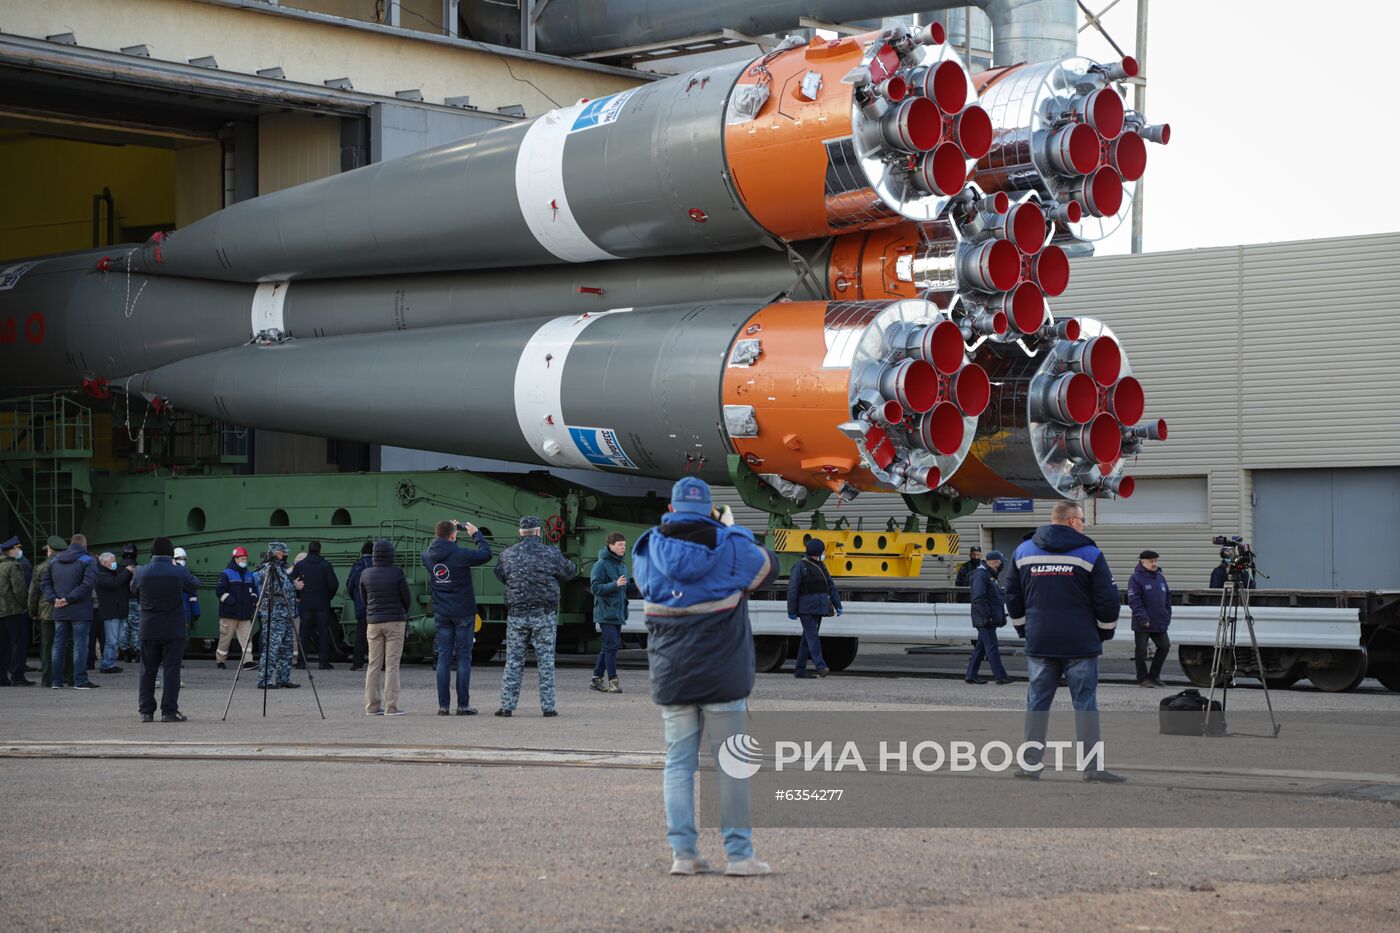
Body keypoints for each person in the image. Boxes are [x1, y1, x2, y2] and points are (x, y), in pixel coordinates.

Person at [633, 477, 778, 877]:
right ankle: (740, 856)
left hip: (672, 673)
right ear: (710, 509)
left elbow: (648, 585)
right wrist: (732, 529)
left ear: (673, 508)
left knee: (678, 764)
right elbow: (769, 567)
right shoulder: (731, 545)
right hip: (723, 674)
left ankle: (684, 854)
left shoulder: (647, 547)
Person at [1005, 501, 1126, 783]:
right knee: (1085, 705)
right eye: (1082, 519)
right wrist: (1104, 633)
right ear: (1072, 521)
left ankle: (1030, 766)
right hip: (1080, 644)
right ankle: (1092, 769)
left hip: (1040, 642)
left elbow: (1011, 595)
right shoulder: (1090, 553)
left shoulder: (1023, 551)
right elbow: (1108, 601)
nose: (1084, 524)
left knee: (1036, 704)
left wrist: (1025, 629)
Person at [494, 515, 576, 718]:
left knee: (513, 661)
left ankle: (507, 707)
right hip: (544, 615)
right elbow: (569, 572)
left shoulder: (507, 554)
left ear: (520, 532)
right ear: (539, 532)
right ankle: (548, 708)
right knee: (545, 661)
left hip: (517, 615)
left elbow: (500, 575)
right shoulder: (551, 553)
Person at [423, 519, 492, 716]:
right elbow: (486, 554)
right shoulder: (460, 554)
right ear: (453, 536)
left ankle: (443, 706)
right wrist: (475, 534)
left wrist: (449, 533)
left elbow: (443, 551)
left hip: (442, 613)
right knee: (463, 658)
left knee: (444, 657)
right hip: (463, 613)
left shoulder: (427, 555)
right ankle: (463, 705)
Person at [131, 536, 199, 722]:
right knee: (171, 671)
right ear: (171, 554)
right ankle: (169, 711)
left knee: (147, 671)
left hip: (149, 627)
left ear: (151, 552)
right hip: (173, 628)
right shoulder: (178, 572)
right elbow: (195, 584)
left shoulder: (141, 571)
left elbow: (133, 589)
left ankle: (146, 711)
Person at [358, 538, 411, 716]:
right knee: (392, 666)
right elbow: (406, 598)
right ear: (391, 555)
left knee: (373, 664)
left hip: (373, 622)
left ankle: (371, 707)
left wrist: (373, 612)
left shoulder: (365, 573)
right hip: (395, 621)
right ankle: (391, 707)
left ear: (374, 555)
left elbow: (363, 598)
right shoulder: (397, 573)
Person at [43, 533, 99, 690]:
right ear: (84, 545)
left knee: (58, 645)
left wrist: (54, 599)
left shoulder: (54, 560)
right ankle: (80, 681)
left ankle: (56, 681)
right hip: (80, 610)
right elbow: (88, 584)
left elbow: (45, 583)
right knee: (80, 645)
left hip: (59, 609)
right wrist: (69, 599)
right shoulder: (88, 560)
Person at [785, 538, 842, 679]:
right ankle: (821, 666)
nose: (824, 554)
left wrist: (837, 604)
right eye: (822, 551)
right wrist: (791, 610)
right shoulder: (800, 566)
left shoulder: (822, 566)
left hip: (818, 609)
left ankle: (800, 670)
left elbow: (831, 586)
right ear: (818, 552)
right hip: (806, 610)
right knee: (813, 638)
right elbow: (792, 589)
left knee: (807, 639)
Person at [255, 542, 300, 690]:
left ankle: (283, 677)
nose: (284, 555)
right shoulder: (267, 569)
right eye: (281, 553)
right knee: (271, 648)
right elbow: (275, 588)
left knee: (286, 648)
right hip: (274, 614)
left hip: (285, 614)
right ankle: (264, 679)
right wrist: (294, 585)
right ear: (274, 553)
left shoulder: (281, 569)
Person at [589, 532, 630, 694]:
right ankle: (613, 681)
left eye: (624, 545)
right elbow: (595, 588)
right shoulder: (601, 565)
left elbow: (624, 588)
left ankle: (596, 679)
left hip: (618, 613)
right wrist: (615, 584)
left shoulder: (622, 565)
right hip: (605, 612)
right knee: (612, 645)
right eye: (620, 545)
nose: (623, 548)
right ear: (611, 546)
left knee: (608, 646)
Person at [290, 540, 341, 669]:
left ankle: (301, 662)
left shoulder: (300, 565)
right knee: (323, 633)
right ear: (319, 550)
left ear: (308, 550)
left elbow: (289, 580)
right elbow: (334, 584)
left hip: (305, 603)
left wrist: (298, 594)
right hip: (322, 604)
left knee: (304, 633)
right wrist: (327, 597)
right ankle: (323, 662)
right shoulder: (325, 565)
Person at [965, 549, 1013, 685]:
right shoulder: (982, 575)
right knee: (992, 647)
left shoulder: (988, 574)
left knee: (981, 647)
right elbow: (979, 598)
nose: (1001, 565)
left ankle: (971, 674)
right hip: (985, 619)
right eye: (999, 562)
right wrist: (987, 617)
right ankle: (1000, 676)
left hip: (986, 617)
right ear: (993, 562)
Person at [30, 537, 71, 688]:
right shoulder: (70, 564)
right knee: (67, 644)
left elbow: (33, 593)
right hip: (66, 610)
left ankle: (47, 679)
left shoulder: (40, 567)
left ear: (49, 550)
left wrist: (33, 611)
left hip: (46, 612)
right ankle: (69, 677)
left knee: (47, 646)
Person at [1128, 549, 1172, 687]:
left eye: (1156, 560)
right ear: (1143, 562)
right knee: (1141, 651)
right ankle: (1142, 678)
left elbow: (1168, 597)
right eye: (1151, 561)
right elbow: (1134, 600)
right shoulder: (1136, 578)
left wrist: (1167, 613)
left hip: (1159, 620)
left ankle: (1154, 676)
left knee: (1164, 646)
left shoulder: (1160, 577)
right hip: (1143, 622)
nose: (1154, 563)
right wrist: (1143, 618)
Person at [215, 546, 258, 671]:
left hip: (244, 614)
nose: (244, 560)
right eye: (242, 558)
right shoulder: (226, 574)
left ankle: (248, 662)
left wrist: (254, 600)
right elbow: (220, 591)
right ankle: (220, 661)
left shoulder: (249, 575)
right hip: (229, 614)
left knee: (247, 639)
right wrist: (232, 602)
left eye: (245, 558)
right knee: (225, 639)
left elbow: (253, 591)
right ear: (235, 558)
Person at [0, 536, 34, 686]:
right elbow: (19, 590)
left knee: (3, 645)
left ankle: (2, 677)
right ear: (12, 550)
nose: (19, 551)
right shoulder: (14, 566)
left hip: (1, 612)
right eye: (17, 548)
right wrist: (26, 605)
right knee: (18, 644)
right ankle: (17, 676)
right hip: (14, 611)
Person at [93, 551, 131, 674]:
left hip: (116, 611)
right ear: (105, 562)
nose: (115, 563)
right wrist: (127, 571)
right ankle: (107, 664)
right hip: (111, 611)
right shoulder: (101, 574)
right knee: (112, 640)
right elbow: (114, 583)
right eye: (113, 561)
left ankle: (110, 663)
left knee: (114, 640)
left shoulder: (109, 572)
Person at [346, 541, 374, 671]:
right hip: (377, 609)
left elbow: (350, 585)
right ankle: (380, 663)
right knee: (378, 637)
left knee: (361, 636)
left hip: (362, 606)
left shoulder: (357, 567)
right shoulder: (378, 565)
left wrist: (357, 599)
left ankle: (357, 664)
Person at [118, 543, 141, 663]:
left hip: (121, 601)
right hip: (134, 600)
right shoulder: (138, 568)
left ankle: (125, 653)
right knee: (136, 627)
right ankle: (138, 652)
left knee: (123, 627)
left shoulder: (117, 567)